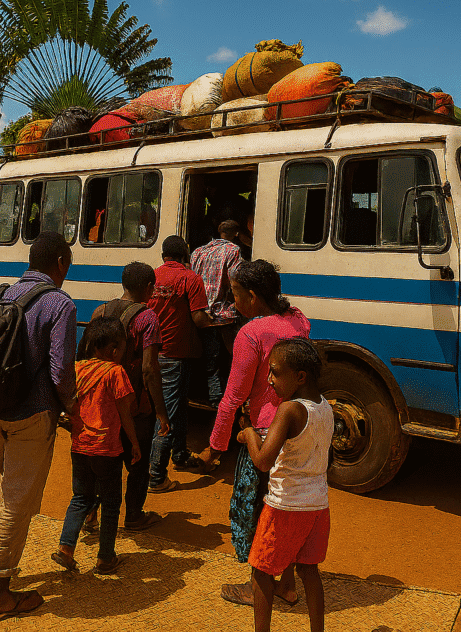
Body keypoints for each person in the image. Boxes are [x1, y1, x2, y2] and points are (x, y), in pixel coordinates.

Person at [0, 230, 76, 624]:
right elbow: (61, 369)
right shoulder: (59, 303)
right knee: (18, 500)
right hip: (33, 413)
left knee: (8, 483)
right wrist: (74, 410)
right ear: (61, 263)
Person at [195, 259, 312, 607]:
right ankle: (287, 584)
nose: (233, 303)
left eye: (235, 294)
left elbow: (233, 396)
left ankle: (257, 586)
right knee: (284, 507)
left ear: (252, 295)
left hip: (263, 431)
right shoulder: (298, 319)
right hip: (298, 426)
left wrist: (215, 446)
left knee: (255, 511)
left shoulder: (251, 334)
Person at [239, 338, 331, 632]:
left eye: (275, 372)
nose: (269, 379)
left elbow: (263, 461)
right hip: (318, 504)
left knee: (262, 572)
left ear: (300, 377)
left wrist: (249, 434)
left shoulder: (289, 410)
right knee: (309, 570)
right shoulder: (325, 406)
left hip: (285, 506)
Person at [85, 262, 170, 531]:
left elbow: (87, 355)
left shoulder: (101, 311)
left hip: (103, 401)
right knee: (138, 460)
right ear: (148, 288)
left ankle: (90, 512)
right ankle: (133, 514)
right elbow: (149, 368)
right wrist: (161, 410)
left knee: (103, 460)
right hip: (134, 404)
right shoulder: (148, 318)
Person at [52, 317, 141, 575]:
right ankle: (105, 558)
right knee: (112, 502)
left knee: (80, 497)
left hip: (80, 446)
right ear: (114, 349)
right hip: (107, 448)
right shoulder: (115, 372)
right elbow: (126, 414)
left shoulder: (76, 369)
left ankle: (65, 549)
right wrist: (134, 443)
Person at [147, 236, 212, 493]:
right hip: (177, 354)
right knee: (169, 414)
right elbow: (198, 318)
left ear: (163, 254)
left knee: (177, 407)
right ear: (186, 254)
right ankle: (156, 476)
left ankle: (180, 454)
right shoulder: (191, 279)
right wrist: (216, 322)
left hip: (154, 352)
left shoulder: (152, 277)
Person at [190, 219, 243, 405]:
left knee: (210, 359)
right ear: (236, 234)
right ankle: (224, 397)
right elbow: (234, 279)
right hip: (224, 314)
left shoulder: (198, 251)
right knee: (231, 357)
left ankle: (213, 396)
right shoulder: (233, 251)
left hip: (201, 313)